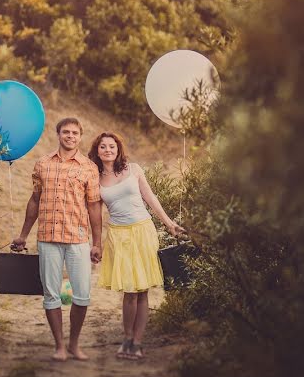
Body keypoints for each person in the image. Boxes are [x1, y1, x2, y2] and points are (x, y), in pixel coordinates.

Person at [11, 117, 102, 362]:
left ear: (80, 137)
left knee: (82, 295)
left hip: (78, 238)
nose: (70, 136)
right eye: (66, 132)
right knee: (51, 294)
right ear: (58, 134)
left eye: (74, 133)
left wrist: (97, 242)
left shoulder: (89, 167)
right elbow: (34, 200)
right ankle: (59, 346)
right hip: (48, 238)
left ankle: (74, 343)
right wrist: (23, 235)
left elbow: (94, 206)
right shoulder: (42, 164)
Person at [88, 131, 184, 360]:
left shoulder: (134, 169)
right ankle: (127, 339)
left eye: (112, 146)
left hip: (143, 231)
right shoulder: (96, 179)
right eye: (103, 147)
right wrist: (97, 243)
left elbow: (151, 199)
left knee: (142, 291)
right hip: (119, 237)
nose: (108, 150)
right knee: (129, 292)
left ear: (118, 149)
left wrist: (169, 224)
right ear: (97, 151)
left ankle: (137, 343)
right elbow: (96, 215)